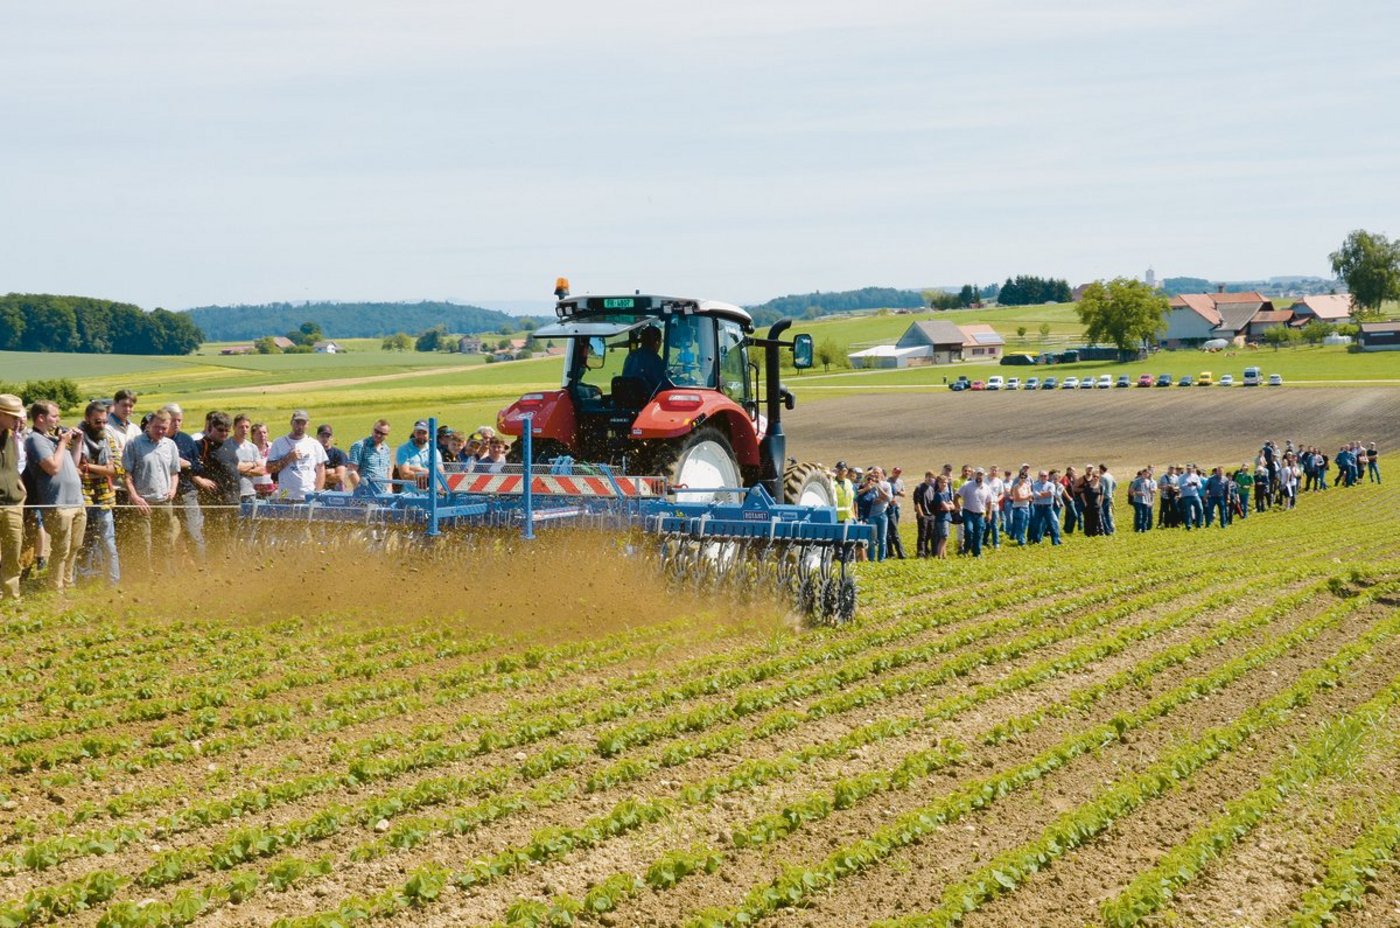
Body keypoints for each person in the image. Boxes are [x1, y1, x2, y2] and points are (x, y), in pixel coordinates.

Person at [24, 402, 87, 593]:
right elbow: (53, 467)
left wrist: (77, 443)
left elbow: (73, 465)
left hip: (76, 501)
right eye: (55, 416)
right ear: (41, 418)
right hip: (57, 503)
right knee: (61, 550)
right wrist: (62, 443)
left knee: (75, 547)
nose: (58, 419)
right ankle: (56, 589)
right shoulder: (35, 439)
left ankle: (68, 584)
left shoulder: (53, 439)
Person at [123, 409, 182, 570]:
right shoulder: (134, 444)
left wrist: (173, 489)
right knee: (144, 543)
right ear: (149, 425)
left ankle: (164, 576)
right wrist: (134, 497)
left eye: (164, 428)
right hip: (143, 503)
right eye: (157, 427)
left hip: (164, 502)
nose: (160, 431)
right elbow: (127, 475)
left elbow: (174, 473)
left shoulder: (170, 445)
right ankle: (144, 578)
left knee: (166, 541)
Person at [77, 401, 121, 586]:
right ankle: (84, 580)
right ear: (87, 419)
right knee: (84, 543)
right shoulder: (76, 439)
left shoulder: (108, 439)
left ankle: (113, 582)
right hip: (83, 497)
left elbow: (117, 469)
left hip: (104, 498)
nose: (101, 425)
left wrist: (89, 467)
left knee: (108, 542)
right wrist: (102, 469)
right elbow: (75, 468)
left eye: (104, 421)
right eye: (97, 422)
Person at [164, 404, 209, 560]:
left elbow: (198, 467)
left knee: (192, 531)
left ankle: (201, 567)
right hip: (162, 494)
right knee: (167, 534)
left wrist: (188, 464)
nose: (176, 424)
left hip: (185, 492)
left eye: (179, 420)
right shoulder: (155, 439)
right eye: (173, 420)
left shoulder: (186, 439)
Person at [0, 394, 28, 603]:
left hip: (12, 503)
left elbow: (13, 466)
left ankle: (11, 596)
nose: (18, 421)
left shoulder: (10, 437)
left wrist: (19, 484)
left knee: (13, 551)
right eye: (13, 416)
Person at [267, 410, 328, 501]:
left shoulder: (314, 444)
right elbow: (269, 468)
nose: (300, 426)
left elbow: (321, 470)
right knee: (283, 513)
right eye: (297, 423)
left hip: (308, 493)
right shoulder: (279, 442)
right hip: (285, 493)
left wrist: (317, 492)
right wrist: (288, 458)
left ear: (308, 424)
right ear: (291, 423)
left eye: (303, 423)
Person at [213, 414, 264, 508]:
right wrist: (253, 464)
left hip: (249, 493)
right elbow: (232, 467)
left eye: (247, 427)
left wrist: (241, 469)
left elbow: (261, 471)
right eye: (241, 427)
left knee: (249, 522)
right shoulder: (226, 445)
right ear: (234, 428)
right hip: (231, 494)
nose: (244, 429)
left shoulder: (253, 447)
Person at [394, 419, 443, 488]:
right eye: (418, 432)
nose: (421, 436)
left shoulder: (434, 451)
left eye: (424, 433)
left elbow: (440, 473)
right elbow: (405, 474)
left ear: (429, 434)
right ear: (414, 433)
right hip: (410, 495)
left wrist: (416, 469)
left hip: (431, 494)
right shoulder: (404, 449)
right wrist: (427, 472)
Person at [958, 468, 993, 557]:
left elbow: (989, 502)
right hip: (968, 512)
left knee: (978, 533)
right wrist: (957, 506)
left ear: (983, 476)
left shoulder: (986, 488)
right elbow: (957, 496)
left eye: (981, 475)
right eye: (977, 474)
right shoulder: (967, 485)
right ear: (974, 475)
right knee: (969, 531)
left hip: (980, 514)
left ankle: (977, 553)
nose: (979, 476)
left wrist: (989, 514)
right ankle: (966, 549)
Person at [622, 325, 665, 395]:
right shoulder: (654, 359)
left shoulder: (631, 356)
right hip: (645, 400)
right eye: (660, 341)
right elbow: (661, 384)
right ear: (657, 342)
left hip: (627, 399)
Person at [348, 420, 392, 488]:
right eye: (376, 431)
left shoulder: (386, 449)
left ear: (387, 435)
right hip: (366, 494)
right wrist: (363, 491)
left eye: (382, 433)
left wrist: (389, 490)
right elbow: (351, 471)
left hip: (384, 494)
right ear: (372, 430)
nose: (378, 435)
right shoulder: (359, 446)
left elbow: (388, 471)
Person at [316, 425, 351, 491]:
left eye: (328, 436)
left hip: (336, 492)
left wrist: (319, 475)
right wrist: (328, 472)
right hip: (316, 490)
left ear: (332, 438)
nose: (325, 438)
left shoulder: (339, 454)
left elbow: (340, 477)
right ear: (317, 437)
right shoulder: (313, 454)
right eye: (322, 436)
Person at [930, 474, 955, 559]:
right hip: (941, 518)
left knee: (945, 537)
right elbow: (947, 508)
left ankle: (944, 555)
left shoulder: (947, 493)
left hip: (947, 517)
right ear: (938, 483)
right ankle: (939, 556)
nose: (944, 484)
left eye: (945, 482)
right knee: (943, 537)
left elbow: (953, 507)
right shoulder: (938, 494)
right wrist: (948, 506)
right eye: (941, 482)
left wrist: (948, 506)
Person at [912, 471, 937, 557]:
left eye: (932, 477)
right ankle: (920, 553)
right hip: (923, 515)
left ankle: (926, 550)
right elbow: (917, 502)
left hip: (931, 515)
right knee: (922, 535)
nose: (931, 479)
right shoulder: (919, 488)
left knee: (930, 534)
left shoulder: (931, 489)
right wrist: (921, 515)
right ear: (925, 477)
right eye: (929, 477)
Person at [885, 466, 906, 559]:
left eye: (898, 472)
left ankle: (897, 553)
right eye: (895, 472)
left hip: (897, 507)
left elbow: (904, 494)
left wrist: (897, 491)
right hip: (888, 507)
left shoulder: (900, 482)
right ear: (892, 472)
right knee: (889, 531)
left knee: (894, 530)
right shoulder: (887, 481)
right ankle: (891, 552)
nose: (897, 474)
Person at [250, 422, 276, 497]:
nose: (262, 435)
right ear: (253, 435)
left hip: (273, 490)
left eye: (264, 432)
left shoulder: (274, 447)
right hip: (253, 491)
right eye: (259, 433)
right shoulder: (248, 449)